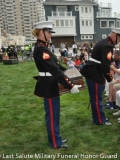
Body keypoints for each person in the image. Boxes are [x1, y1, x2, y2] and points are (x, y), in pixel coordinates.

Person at [31, 21, 81, 149]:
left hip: (51, 83)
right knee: (52, 115)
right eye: (48, 32)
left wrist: (70, 72)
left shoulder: (43, 46)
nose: (51, 35)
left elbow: (56, 66)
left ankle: (56, 138)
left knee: (55, 113)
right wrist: (70, 85)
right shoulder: (41, 49)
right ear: (41, 32)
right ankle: (55, 142)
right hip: (49, 85)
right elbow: (54, 70)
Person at [80, 28, 120, 126]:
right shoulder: (107, 46)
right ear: (115, 35)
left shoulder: (104, 42)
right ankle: (99, 120)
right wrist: (111, 80)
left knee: (95, 98)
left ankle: (98, 117)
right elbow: (105, 65)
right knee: (97, 98)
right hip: (95, 73)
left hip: (93, 72)